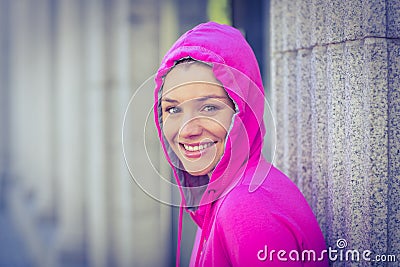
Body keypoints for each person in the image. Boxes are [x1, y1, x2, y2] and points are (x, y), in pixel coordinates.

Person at [153, 22, 328, 267]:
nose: (187, 130)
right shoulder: (227, 194)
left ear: (244, 110)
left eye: (209, 107)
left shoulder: (247, 206)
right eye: (173, 109)